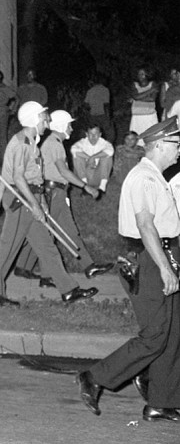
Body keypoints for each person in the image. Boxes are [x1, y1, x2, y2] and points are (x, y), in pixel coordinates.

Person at [78, 117, 180, 422]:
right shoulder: (143, 178)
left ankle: (161, 401)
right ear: (160, 145)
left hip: (160, 254)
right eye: (176, 144)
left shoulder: (157, 176)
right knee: (156, 334)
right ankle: (95, 376)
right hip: (148, 259)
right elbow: (146, 226)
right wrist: (165, 267)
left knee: (173, 333)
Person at [0, 102, 98, 306]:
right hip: (22, 200)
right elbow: (17, 178)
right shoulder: (22, 143)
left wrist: (42, 202)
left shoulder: (30, 141)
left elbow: (14, 173)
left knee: (46, 247)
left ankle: (69, 290)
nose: (47, 123)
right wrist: (34, 205)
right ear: (34, 119)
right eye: (44, 119)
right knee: (7, 247)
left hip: (31, 198)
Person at [16, 111, 114, 285]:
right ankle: (37, 272)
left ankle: (86, 266)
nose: (70, 128)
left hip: (57, 192)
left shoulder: (54, 143)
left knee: (63, 231)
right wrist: (86, 187)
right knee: (48, 234)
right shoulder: (55, 144)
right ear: (61, 126)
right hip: (52, 192)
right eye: (68, 125)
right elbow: (63, 171)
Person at [72, 125, 115, 192]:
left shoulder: (105, 143)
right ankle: (85, 187)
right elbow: (73, 149)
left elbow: (110, 151)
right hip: (84, 174)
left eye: (96, 134)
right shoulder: (82, 142)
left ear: (100, 134)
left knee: (107, 156)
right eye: (90, 134)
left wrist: (94, 157)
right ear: (86, 134)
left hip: (98, 175)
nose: (93, 136)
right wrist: (89, 158)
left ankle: (102, 188)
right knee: (77, 156)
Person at [130, 67, 159, 141]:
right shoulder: (134, 84)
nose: (140, 76)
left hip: (150, 115)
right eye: (139, 74)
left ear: (148, 74)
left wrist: (138, 97)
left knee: (152, 137)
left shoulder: (153, 83)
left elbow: (152, 99)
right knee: (137, 138)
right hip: (137, 116)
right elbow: (135, 96)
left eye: (142, 74)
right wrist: (150, 91)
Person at [83, 76, 113, 142]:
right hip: (103, 115)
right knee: (109, 134)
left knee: (94, 134)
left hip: (93, 116)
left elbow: (85, 105)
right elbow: (106, 104)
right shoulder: (105, 89)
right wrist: (108, 117)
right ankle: (108, 149)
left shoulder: (90, 90)